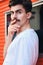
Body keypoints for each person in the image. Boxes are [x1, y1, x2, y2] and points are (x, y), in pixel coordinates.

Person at [3, 0, 39, 65]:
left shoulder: (26, 37)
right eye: (12, 13)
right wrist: (9, 36)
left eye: (19, 12)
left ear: (28, 15)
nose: (14, 16)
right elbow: (6, 58)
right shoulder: (19, 35)